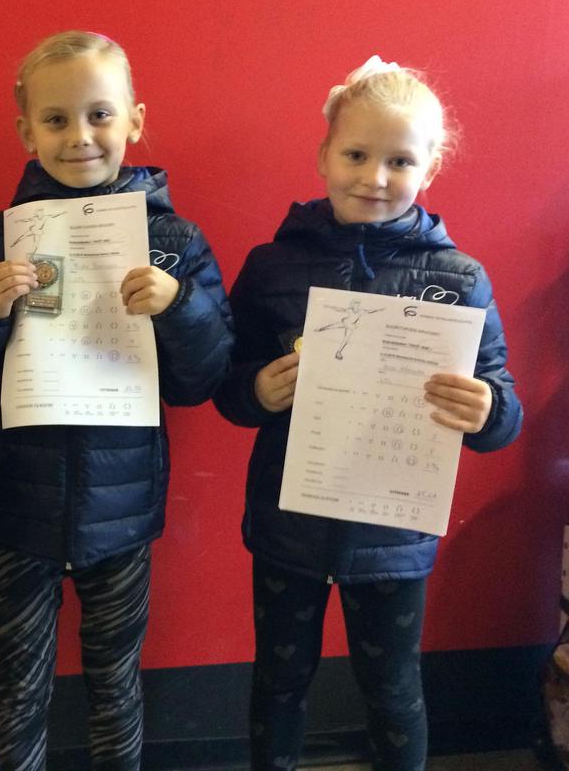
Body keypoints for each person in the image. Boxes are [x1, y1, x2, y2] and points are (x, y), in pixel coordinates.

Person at [212, 55, 523, 771]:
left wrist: (487, 409)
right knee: (278, 681)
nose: (374, 177)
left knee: (392, 689)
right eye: (356, 155)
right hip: (289, 526)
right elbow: (227, 385)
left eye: (400, 161)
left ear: (430, 167)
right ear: (324, 155)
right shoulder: (272, 266)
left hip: (394, 534)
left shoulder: (461, 279)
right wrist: (257, 390)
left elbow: (503, 407)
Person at [0, 30, 233, 770]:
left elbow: (203, 380)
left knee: (116, 681)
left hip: (122, 508)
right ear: (26, 132)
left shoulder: (174, 240)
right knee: (21, 685)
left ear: (135, 119)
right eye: (56, 119)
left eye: (99, 114)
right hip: (19, 504)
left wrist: (180, 304)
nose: (79, 137)